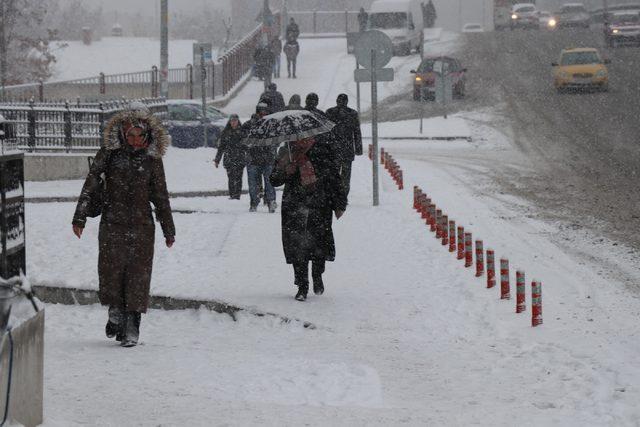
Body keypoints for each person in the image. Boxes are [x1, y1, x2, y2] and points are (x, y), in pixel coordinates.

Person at [71, 104, 175, 348]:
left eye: (140, 136)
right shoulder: (109, 153)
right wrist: (80, 217)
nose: (136, 140)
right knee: (112, 272)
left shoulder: (152, 159)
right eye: (131, 135)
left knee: (138, 277)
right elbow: (91, 183)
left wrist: (168, 229)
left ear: (148, 134)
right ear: (123, 131)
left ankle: (132, 329)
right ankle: (115, 313)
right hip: (112, 223)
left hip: (142, 226)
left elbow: (160, 196)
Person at [270, 137, 347, 301]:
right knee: (297, 245)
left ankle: (317, 275)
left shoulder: (322, 149)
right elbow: (274, 179)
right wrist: (285, 171)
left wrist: (340, 202)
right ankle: (302, 285)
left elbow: (334, 177)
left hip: (319, 203)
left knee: (319, 244)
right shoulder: (286, 151)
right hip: (294, 205)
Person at [325, 94, 363, 198]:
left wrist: (324, 147)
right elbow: (357, 132)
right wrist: (358, 149)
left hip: (333, 149)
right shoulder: (352, 113)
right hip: (347, 149)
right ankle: (343, 196)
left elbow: (325, 132)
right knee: (346, 176)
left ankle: (334, 195)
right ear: (347, 102)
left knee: (333, 174)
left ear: (337, 101)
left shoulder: (330, 112)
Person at [242, 103, 277, 213]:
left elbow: (277, 138)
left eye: (265, 111)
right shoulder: (250, 125)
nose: (263, 114)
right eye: (261, 111)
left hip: (265, 158)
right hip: (256, 158)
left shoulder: (270, 123)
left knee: (268, 182)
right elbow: (242, 139)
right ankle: (255, 202)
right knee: (255, 183)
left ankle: (269, 201)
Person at [215, 114, 247, 200]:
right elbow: (221, 147)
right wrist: (217, 159)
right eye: (232, 121)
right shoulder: (225, 132)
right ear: (229, 122)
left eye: (235, 121)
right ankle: (232, 194)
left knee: (239, 177)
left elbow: (246, 146)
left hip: (239, 158)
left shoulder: (242, 132)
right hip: (229, 158)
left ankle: (237, 195)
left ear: (238, 121)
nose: (233, 122)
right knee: (231, 178)